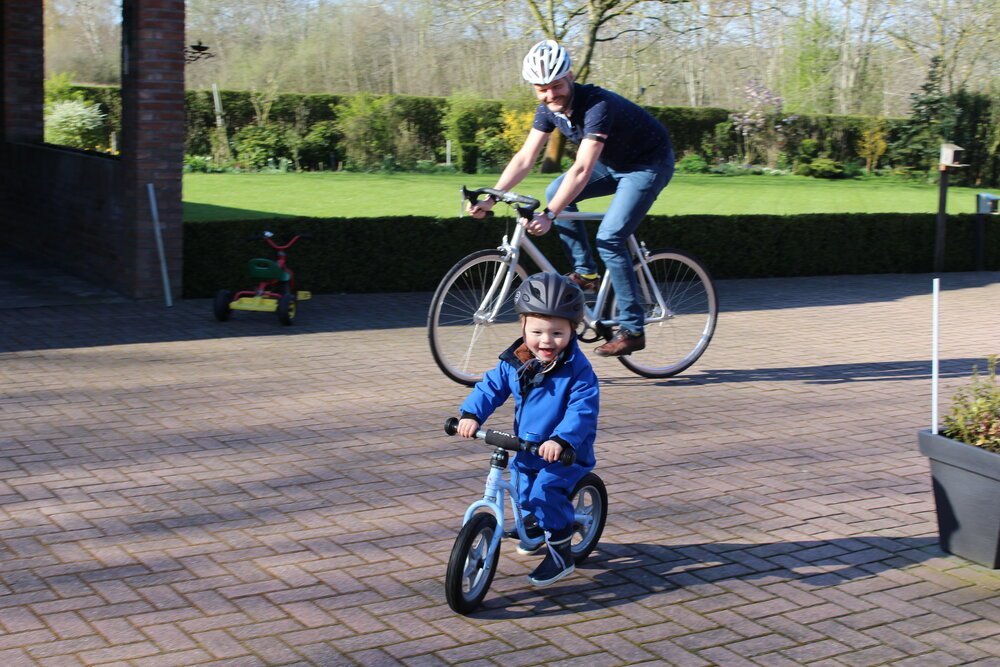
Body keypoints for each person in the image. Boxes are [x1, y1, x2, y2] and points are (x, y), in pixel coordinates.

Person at [469, 39, 675, 357]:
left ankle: (633, 329)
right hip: (614, 162)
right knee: (555, 190)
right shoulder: (547, 109)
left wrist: (550, 214)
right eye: (542, 89)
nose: (550, 95)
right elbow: (525, 158)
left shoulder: (597, 105)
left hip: (648, 164)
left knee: (609, 237)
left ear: (570, 76)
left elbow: (581, 169)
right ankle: (586, 273)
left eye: (556, 86)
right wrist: (492, 198)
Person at [455, 272, 599, 587]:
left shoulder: (579, 372)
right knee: (522, 492)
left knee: (545, 492)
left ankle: (561, 555)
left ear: (573, 330)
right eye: (537, 332)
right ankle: (533, 526)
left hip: (565, 453)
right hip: (527, 447)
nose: (546, 341)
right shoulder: (516, 361)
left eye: (557, 333)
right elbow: (491, 387)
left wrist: (562, 439)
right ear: (522, 326)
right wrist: (471, 414)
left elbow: (582, 410)